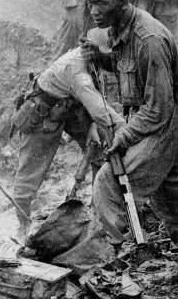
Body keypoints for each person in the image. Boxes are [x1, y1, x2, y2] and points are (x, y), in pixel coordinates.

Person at [82, 0, 178, 283]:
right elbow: (132, 71)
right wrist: (102, 59)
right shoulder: (119, 28)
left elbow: (158, 108)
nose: (94, 11)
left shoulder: (148, 38)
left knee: (110, 181)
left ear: (123, 2)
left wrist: (124, 135)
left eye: (101, 3)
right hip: (153, 115)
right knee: (173, 192)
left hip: (164, 119)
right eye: (90, 3)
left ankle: (113, 260)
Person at [10, 30, 125, 238]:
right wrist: (129, 128)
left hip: (73, 106)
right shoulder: (78, 72)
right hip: (44, 112)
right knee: (29, 174)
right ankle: (22, 227)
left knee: (100, 151)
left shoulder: (92, 63)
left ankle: (98, 212)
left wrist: (92, 126)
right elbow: (101, 110)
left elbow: (98, 96)